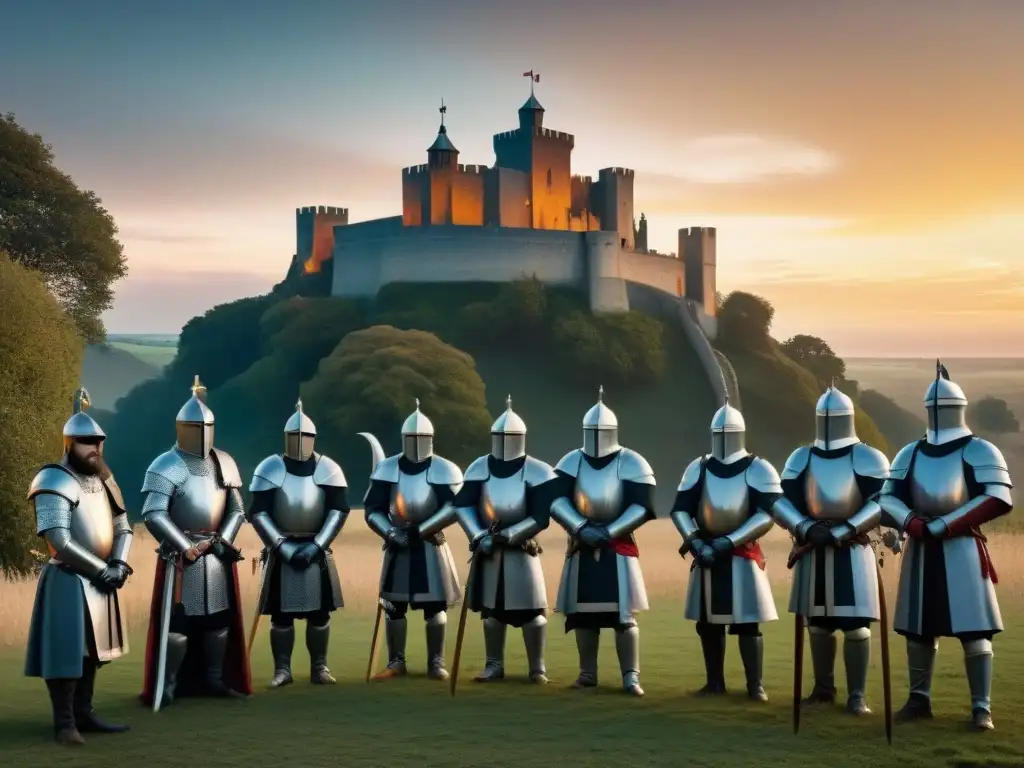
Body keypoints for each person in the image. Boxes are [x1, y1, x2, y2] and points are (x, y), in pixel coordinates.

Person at [878, 362, 1014, 730]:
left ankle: (980, 708)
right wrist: (912, 522)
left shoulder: (980, 450)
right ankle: (919, 700)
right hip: (920, 549)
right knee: (919, 630)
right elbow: (887, 497)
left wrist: (946, 524)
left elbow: (997, 496)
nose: (938, 414)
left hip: (963, 549)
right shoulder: (910, 453)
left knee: (975, 631)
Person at [25, 387, 133, 745]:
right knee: (65, 652)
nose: (96, 449)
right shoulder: (53, 479)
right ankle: (65, 722)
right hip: (68, 579)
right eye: (87, 442)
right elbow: (59, 538)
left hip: (101, 578)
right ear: (69, 443)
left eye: (99, 442)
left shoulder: (104, 480)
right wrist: (102, 571)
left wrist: (118, 562)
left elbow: (123, 526)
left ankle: (84, 714)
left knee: (92, 652)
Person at [773, 384, 889, 714]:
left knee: (856, 626)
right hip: (813, 548)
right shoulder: (801, 457)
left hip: (852, 549)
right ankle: (823, 689)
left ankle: (857, 696)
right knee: (819, 624)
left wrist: (845, 529)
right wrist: (805, 527)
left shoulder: (867, 457)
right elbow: (781, 502)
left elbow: (881, 501)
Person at [138, 375, 252, 707]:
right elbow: (154, 513)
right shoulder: (166, 464)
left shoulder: (224, 462)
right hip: (180, 557)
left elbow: (236, 509)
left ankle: (215, 679)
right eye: (195, 428)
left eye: (207, 428)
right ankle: (170, 683)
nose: (202, 435)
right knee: (179, 624)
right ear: (182, 428)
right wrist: (185, 546)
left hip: (216, 554)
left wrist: (223, 541)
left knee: (218, 621)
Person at [669, 399, 780, 702]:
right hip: (705, 553)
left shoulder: (758, 468)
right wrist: (695, 541)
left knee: (747, 623)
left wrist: (729, 541)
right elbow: (680, 509)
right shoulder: (699, 467)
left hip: (741, 554)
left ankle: (754, 685)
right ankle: (714, 682)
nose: (722, 439)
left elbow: (768, 513)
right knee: (708, 624)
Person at [549, 387, 655, 696]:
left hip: (617, 548)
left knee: (623, 616)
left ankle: (630, 676)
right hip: (581, 548)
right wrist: (581, 527)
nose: (596, 435)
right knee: (583, 616)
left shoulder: (632, 461)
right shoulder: (570, 462)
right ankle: (587, 673)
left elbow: (642, 505)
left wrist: (609, 532)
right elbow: (556, 501)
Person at [452, 396, 556, 683]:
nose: (504, 441)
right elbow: (463, 505)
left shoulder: (537, 471)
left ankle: (537, 668)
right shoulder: (478, 468)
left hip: (522, 550)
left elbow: (540, 516)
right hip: (487, 550)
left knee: (532, 613)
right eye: (499, 436)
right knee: (492, 612)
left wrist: (510, 535)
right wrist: (477, 534)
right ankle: (493, 665)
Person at [359, 399, 464, 680]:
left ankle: (436, 663)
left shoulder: (445, 469)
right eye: (412, 438)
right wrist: (391, 532)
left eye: (422, 438)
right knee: (394, 607)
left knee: (435, 607)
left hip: (431, 545)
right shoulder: (387, 469)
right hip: (398, 546)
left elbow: (455, 507)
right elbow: (373, 510)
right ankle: (396, 662)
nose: (417, 443)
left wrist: (422, 529)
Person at [248, 399, 350, 687]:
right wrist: (281, 546)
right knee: (281, 616)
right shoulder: (270, 467)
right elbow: (258, 511)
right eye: (295, 436)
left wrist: (317, 545)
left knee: (319, 614)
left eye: (305, 436)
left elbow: (338, 510)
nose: (300, 442)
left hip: (317, 549)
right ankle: (283, 670)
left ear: (313, 438)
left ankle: (320, 667)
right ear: (286, 437)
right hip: (281, 549)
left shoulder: (328, 468)